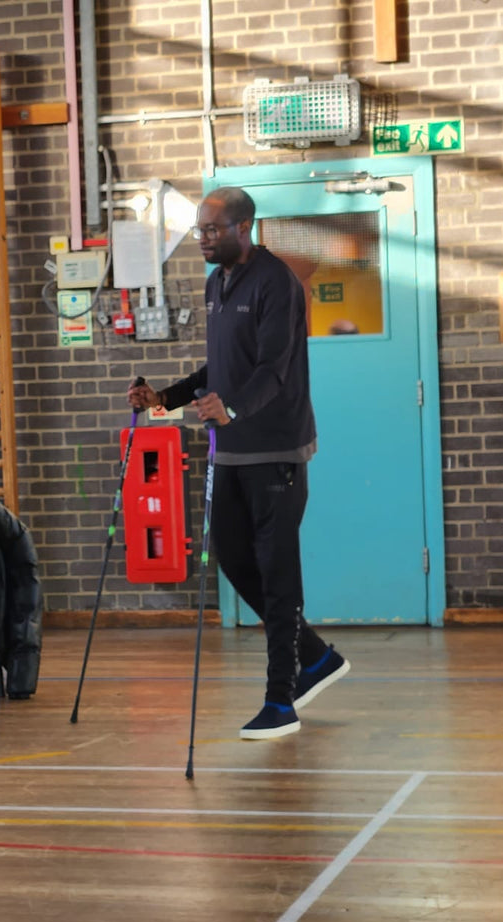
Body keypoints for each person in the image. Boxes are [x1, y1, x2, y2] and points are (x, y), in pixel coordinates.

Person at [128, 186, 350, 741]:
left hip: (275, 448)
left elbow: (274, 368)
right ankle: (315, 656)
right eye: (199, 230)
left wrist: (230, 406)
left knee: (277, 574)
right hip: (230, 447)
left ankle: (282, 698)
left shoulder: (276, 283)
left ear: (244, 227)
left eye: (211, 230)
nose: (201, 239)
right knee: (233, 557)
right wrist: (167, 397)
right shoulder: (216, 283)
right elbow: (221, 364)